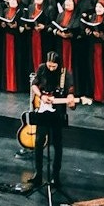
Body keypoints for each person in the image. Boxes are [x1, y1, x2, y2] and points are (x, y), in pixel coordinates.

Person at [28, 51, 77, 189]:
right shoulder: (42, 68)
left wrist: (72, 100)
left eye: (53, 66)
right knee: (38, 142)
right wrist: (41, 95)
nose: (51, 68)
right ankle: (38, 174)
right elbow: (34, 85)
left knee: (57, 144)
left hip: (58, 112)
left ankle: (56, 176)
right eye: (49, 65)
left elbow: (71, 91)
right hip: (43, 110)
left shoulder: (65, 74)